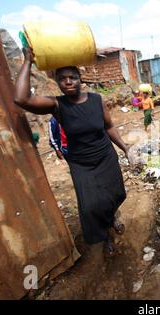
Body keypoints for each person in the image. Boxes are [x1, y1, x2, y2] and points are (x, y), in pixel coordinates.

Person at [14, 48, 128, 258]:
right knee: (92, 205)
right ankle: (105, 237)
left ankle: (111, 218)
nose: (68, 82)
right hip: (82, 164)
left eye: (72, 77)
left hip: (105, 156)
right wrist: (28, 61)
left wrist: (125, 147)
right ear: (57, 82)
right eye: (63, 78)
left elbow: (109, 126)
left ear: (80, 79)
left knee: (115, 194)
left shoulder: (96, 100)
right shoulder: (57, 105)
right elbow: (22, 99)